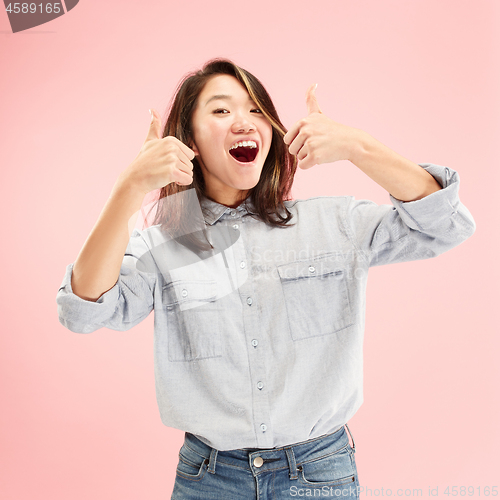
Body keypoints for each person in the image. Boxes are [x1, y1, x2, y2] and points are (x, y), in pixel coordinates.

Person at [56, 58, 476, 499]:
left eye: (256, 110)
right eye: (221, 110)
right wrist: (128, 188)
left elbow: (446, 226)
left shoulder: (333, 223)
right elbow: (82, 311)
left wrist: (358, 147)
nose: (244, 121)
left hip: (319, 474)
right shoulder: (162, 246)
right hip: (210, 479)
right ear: (188, 139)